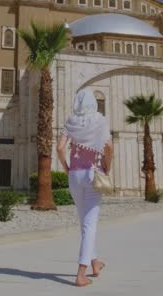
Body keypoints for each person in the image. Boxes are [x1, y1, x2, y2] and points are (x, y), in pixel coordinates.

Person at [56, 89, 114, 288]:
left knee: (84, 223)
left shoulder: (71, 122)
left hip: (74, 176)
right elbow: (108, 148)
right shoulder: (100, 121)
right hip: (92, 175)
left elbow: (59, 148)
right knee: (90, 225)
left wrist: (66, 168)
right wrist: (107, 167)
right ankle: (81, 274)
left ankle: (95, 263)